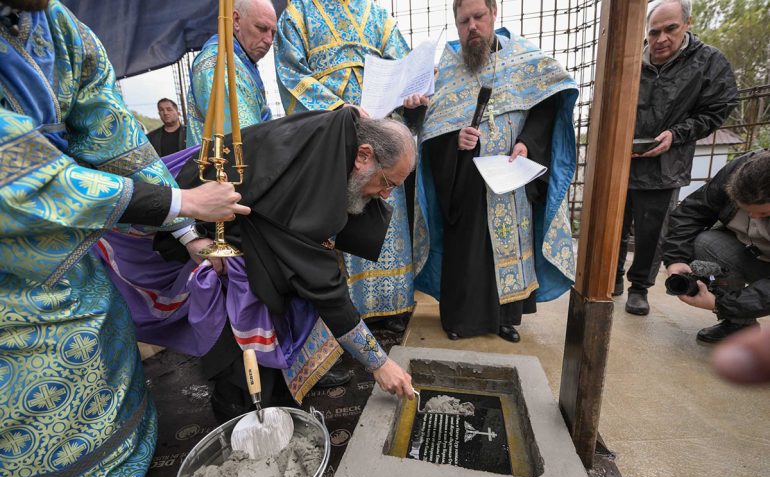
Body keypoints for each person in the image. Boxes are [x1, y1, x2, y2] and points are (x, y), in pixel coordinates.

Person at [0, 1, 248, 477]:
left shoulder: (58, 24)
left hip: (74, 254)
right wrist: (183, 202)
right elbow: (16, 174)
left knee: (102, 322)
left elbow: (116, 139)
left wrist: (185, 232)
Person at [155, 108, 416, 422]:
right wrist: (379, 364)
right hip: (221, 251)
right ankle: (239, 424)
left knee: (283, 334)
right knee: (242, 376)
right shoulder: (316, 183)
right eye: (387, 182)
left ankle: (278, 395)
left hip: (255, 246)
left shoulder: (340, 131)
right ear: (363, 155)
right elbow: (325, 288)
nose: (385, 195)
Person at [412, 0, 578, 342]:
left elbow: (547, 103)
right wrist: (455, 140)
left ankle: (505, 319)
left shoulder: (524, 58)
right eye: (463, 21)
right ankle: (460, 319)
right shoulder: (448, 68)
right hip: (466, 181)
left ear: (493, 14)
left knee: (510, 246)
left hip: (510, 177)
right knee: (467, 248)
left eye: (478, 17)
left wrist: (528, 143)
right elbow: (431, 130)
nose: (471, 26)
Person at [273, 0, 420, 335]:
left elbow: (405, 69)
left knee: (383, 203)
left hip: (381, 131)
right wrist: (340, 110)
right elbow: (290, 74)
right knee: (341, 212)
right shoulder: (298, 13)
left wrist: (412, 94)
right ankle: (345, 314)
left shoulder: (378, 16)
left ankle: (390, 308)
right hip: (334, 131)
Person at [615, 0, 737, 316]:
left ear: (687, 24)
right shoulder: (631, 59)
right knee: (611, 226)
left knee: (651, 231)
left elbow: (717, 109)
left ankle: (639, 288)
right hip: (620, 158)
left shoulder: (709, 61)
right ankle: (610, 279)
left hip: (665, 165)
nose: (661, 39)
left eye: (670, 29)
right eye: (654, 32)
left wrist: (676, 134)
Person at [663, 150, 770, 345]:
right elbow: (692, 213)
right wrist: (675, 259)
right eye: (745, 209)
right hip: (755, 253)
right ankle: (740, 325)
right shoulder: (737, 171)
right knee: (707, 242)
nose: (753, 217)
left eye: (763, 213)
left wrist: (721, 304)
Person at [186, 0, 274, 146]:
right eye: (262, 28)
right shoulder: (218, 62)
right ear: (236, 20)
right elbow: (243, 142)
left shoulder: (241, 61)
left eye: (273, 33)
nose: (269, 40)